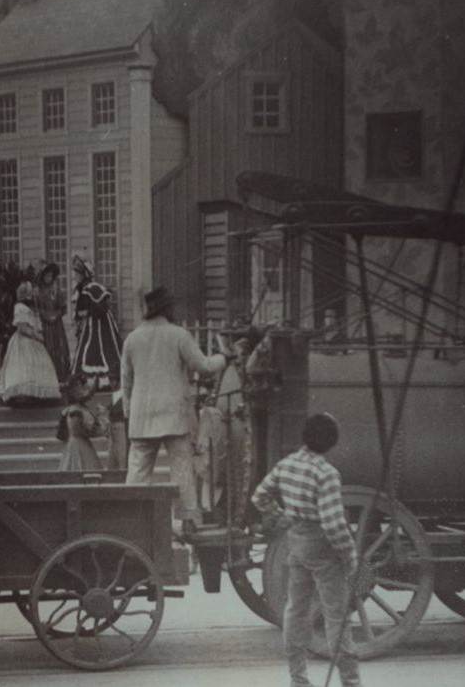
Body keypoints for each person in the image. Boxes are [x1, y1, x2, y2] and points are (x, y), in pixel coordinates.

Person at [251, 412, 362, 687]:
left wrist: (282, 517)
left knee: (296, 610)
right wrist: (351, 557)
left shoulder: (287, 464)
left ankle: (298, 679)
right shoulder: (327, 474)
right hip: (323, 549)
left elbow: (260, 496)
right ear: (331, 443)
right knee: (337, 615)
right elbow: (334, 525)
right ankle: (351, 682)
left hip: (296, 541)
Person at [121, 286, 230, 535]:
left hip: (142, 416)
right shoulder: (178, 335)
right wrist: (224, 357)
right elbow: (203, 366)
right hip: (173, 415)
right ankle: (189, 521)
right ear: (167, 309)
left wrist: (129, 413)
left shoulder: (132, 339)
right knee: (182, 469)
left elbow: (126, 381)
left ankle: (128, 521)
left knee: (138, 471)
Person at [0, 281, 62, 405]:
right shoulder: (20, 307)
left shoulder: (31, 307)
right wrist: (36, 336)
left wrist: (39, 335)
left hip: (34, 341)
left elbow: (35, 325)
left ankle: (35, 396)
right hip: (23, 342)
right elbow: (22, 328)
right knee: (23, 368)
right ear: (24, 293)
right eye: (30, 292)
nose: (32, 294)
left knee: (37, 367)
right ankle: (23, 396)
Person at [70, 255, 122, 389]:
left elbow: (99, 307)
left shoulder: (91, 287)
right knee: (90, 347)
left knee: (97, 347)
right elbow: (81, 310)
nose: (75, 276)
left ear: (84, 274)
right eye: (75, 272)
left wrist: (85, 314)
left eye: (77, 273)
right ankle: (94, 380)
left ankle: (102, 380)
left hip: (98, 324)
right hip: (92, 323)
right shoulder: (82, 288)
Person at [57, 377, 103, 472]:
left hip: (81, 443)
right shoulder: (75, 410)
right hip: (78, 445)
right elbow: (78, 430)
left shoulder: (80, 408)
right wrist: (94, 430)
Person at [35, 263, 72, 380]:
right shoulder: (37, 291)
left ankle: (60, 375)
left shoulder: (56, 290)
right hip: (44, 325)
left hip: (56, 325)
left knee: (58, 348)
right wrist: (44, 315)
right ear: (42, 276)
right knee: (46, 348)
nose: (49, 278)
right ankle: (46, 376)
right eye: (46, 276)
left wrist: (56, 315)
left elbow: (63, 307)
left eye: (51, 276)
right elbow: (35, 309)